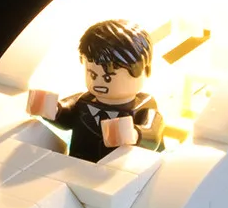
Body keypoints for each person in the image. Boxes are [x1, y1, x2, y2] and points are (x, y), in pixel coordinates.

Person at [27, 18, 164, 163]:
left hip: (123, 170)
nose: (98, 83)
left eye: (108, 78)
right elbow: (66, 119)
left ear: (144, 70)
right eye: (92, 74)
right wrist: (51, 109)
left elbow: (153, 135)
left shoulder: (144, 108)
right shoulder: (83, 101)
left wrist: (135, 134)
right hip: (78, 163)